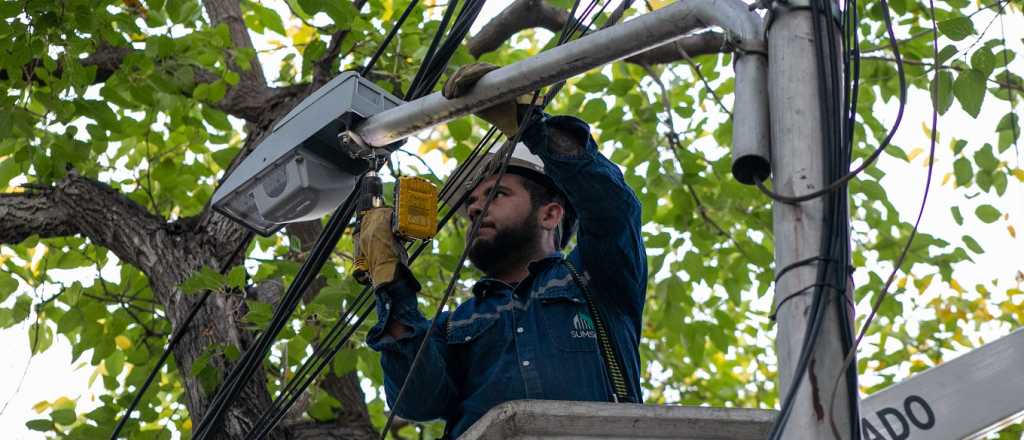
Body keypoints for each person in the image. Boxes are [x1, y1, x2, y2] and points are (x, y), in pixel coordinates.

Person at [359, 63, 647, 438]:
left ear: (550, 214)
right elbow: (417, 401)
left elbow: (612, 209)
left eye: (497, 194)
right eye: (472, 203)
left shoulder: (595, 281)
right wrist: (390, 279)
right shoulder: (454, 325)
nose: (476, 208)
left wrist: (534, 129)